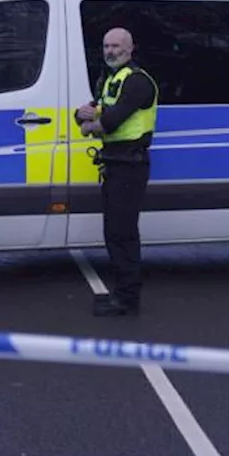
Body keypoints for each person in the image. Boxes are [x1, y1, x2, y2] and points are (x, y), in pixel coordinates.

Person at [75, 27, 158, 316]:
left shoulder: (137, 82)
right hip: (114, 163)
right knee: (113, 232)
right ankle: (120, 293)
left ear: (130, 48)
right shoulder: (109, 78)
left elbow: (111, 121)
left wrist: (89, 123)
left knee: (123, 234)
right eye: (106, 45)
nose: (110, 51)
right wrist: (83, 117)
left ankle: (127, 299)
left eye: (116, 46)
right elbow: (89, 110)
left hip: (130, 165)